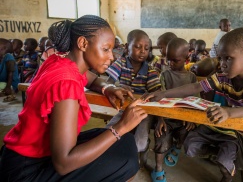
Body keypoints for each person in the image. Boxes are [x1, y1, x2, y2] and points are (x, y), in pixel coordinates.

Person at [0, 15, 147, 181]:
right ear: (83, 43)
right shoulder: (66, 84)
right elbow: (64, 164)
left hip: (24, 153)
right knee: (126, 161)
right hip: (26, 170)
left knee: (125, 143)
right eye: (106, 49)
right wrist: (121, 126)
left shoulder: (58, 61)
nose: (111, 57)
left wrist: (108, 88)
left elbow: (89, 78)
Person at [142, 28, 243, 182]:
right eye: (220, 58)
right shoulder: (223, 76)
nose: (222, 64)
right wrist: (163, 94)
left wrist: (228, 112)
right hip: (240, 128)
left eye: (228, 58)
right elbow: (195, 87)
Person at [105, 29, 161, 168]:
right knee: (107, 133)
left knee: (140, 143)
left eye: (146, 48)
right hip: (124, 108)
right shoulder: (121, 63)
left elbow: (157, 94)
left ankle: (142, 155)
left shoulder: (150, 70)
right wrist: (119, 85)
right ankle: (119, 158)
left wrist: (161, 118)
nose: (142, 51)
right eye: (137, 47)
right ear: (126, 47)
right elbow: (108, 82)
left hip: (144, 111)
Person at [151, 38, 196, 182]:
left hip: (184, 118)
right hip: (167, 118)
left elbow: (197, 101)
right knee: (161, 139)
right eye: (168, 60)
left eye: (175, 60)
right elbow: (159, 99)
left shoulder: (192, 78)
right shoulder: (165, 75)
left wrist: (191, 119)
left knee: (188, 131)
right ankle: (158, 168)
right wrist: (160, 119)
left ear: (186, 59)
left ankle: (177, 147)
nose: (170, 63)